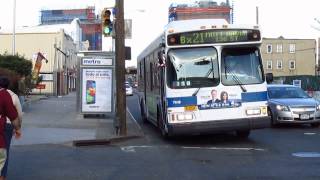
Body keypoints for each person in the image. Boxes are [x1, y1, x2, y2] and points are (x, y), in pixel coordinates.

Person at [0, 76, 23, 178]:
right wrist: (18, 128)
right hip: (6, 127)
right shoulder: (9, 95)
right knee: (4, 151)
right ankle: (2, 176)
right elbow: (17, 114)